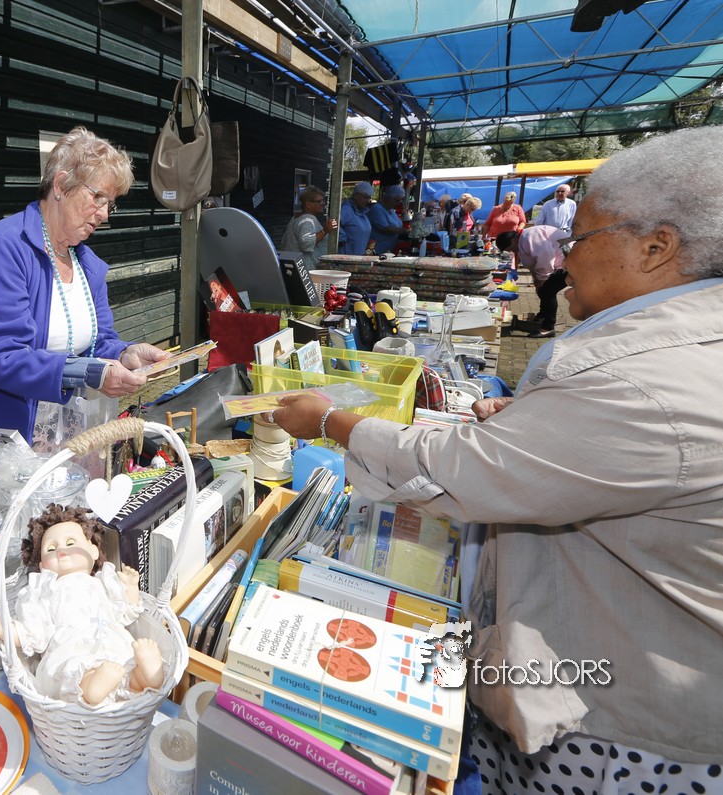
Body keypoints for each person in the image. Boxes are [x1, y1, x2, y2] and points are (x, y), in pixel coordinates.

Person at [270, 126, 723, 794]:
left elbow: (461, 471)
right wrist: (535, 423)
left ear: (656, 247)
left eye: (579, 239)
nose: (562, 256)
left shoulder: (644, 381)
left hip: (620, 724)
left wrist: (330, 422)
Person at [0, 126, 167, 448]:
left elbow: (97, 343)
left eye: (110, 204)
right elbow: (4, 357)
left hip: (49, 433)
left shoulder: (87, 264)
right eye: (97, 197)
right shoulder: (1, 248)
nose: (104, 215)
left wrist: (125, 354)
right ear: (61, 185)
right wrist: (91, 373)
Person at [0, 504, 165, 707]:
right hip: (70, 646)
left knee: (124, 662)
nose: (61, 551)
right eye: (51, 549)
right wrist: (5, 631)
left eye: (70, 543)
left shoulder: (103, 582)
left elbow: (123, 612)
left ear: (93, 551)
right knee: (73, 668)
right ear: (42, 566)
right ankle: (91, 686)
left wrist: (130, 587)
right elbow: (34, 631)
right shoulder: (46, 591)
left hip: (110, 639)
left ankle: (143, 677)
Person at [497, 227, 567, 338]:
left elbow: (545, 258)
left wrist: (542, 278)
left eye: (510, 248)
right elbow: (531, 263)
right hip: (562, 262)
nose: (511, 251)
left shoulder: (529, 237)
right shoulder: (522, 241)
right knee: (544, 291)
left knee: (548, 291)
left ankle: (548, 328)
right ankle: (543, 316)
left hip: (567, 262)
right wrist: (536, 279)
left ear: (513, 240)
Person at [281, 185, 338, 269]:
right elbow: (306, 243)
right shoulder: (307, 220)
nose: (323, 204)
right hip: (305, 271)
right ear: (308, 204)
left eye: (323, 201)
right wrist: (325, 231)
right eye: (319, 201)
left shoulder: (296, 218)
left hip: (296, 268)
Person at [337, 181, 375, 255]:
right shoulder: (346, 209)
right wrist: (342, 238)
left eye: (369, 198)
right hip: (345, 258)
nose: (367, 201)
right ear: (356, 195)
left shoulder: (363, 212)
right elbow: (334, 223)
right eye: (365, 197)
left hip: (358, 258)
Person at [367, 184, 406, 255]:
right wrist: (407, 231)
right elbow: (387, 229)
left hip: (388, 251)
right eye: (396, 200)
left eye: (400, 201)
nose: (398, 203)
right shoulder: (377, 209)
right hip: (377, 251)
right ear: (388, 197)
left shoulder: (391, 210)